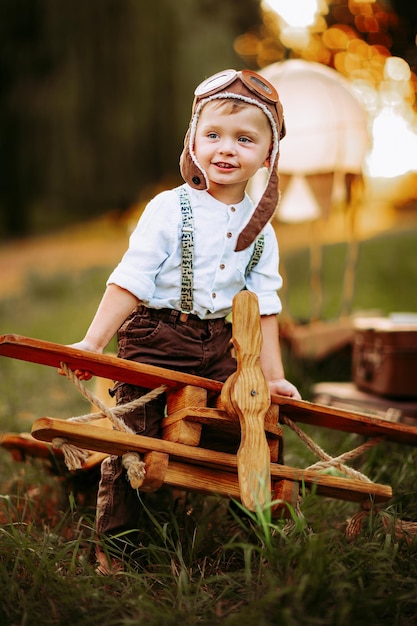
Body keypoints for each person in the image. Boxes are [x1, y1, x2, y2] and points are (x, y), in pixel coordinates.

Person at [66, 69, 301, 574]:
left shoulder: (262, 231)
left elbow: (264, 304)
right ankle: (119, 550)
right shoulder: (169, 208)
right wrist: (92, 342)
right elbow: (130, 279)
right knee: (136, 435)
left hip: (221, 346)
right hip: (157, 335)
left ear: (268, 155)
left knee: (247, 431)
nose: (225, 149)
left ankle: (257, 549)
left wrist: (273, 375)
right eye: (212, 135)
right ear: (193, 139)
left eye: (244, 139)